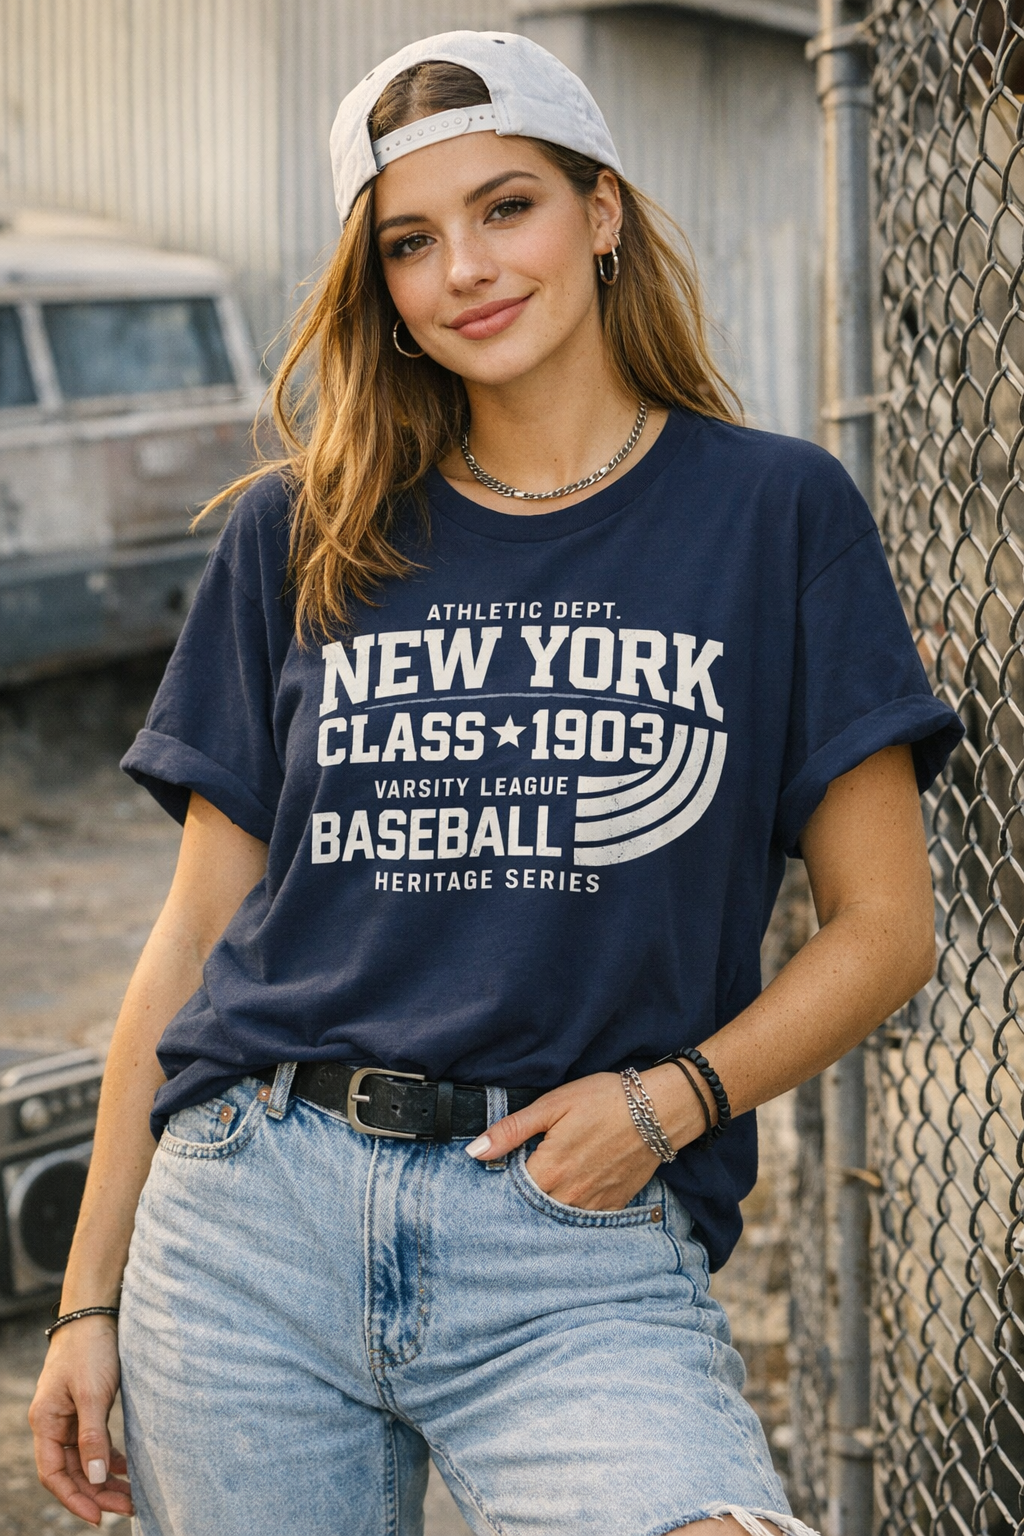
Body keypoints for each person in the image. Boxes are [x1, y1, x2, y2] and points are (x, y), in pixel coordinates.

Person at [29, 30, 962, 1536]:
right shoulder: (299, 531)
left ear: (602, 212)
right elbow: (196, 936)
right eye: (412, 240)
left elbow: (887, 926)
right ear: (379, 286)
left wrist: (673, 1104)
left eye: (507, 206)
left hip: (570, 1235)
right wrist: (85, 1298)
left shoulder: (774, 512)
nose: (464, 266)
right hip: (250, 1214)